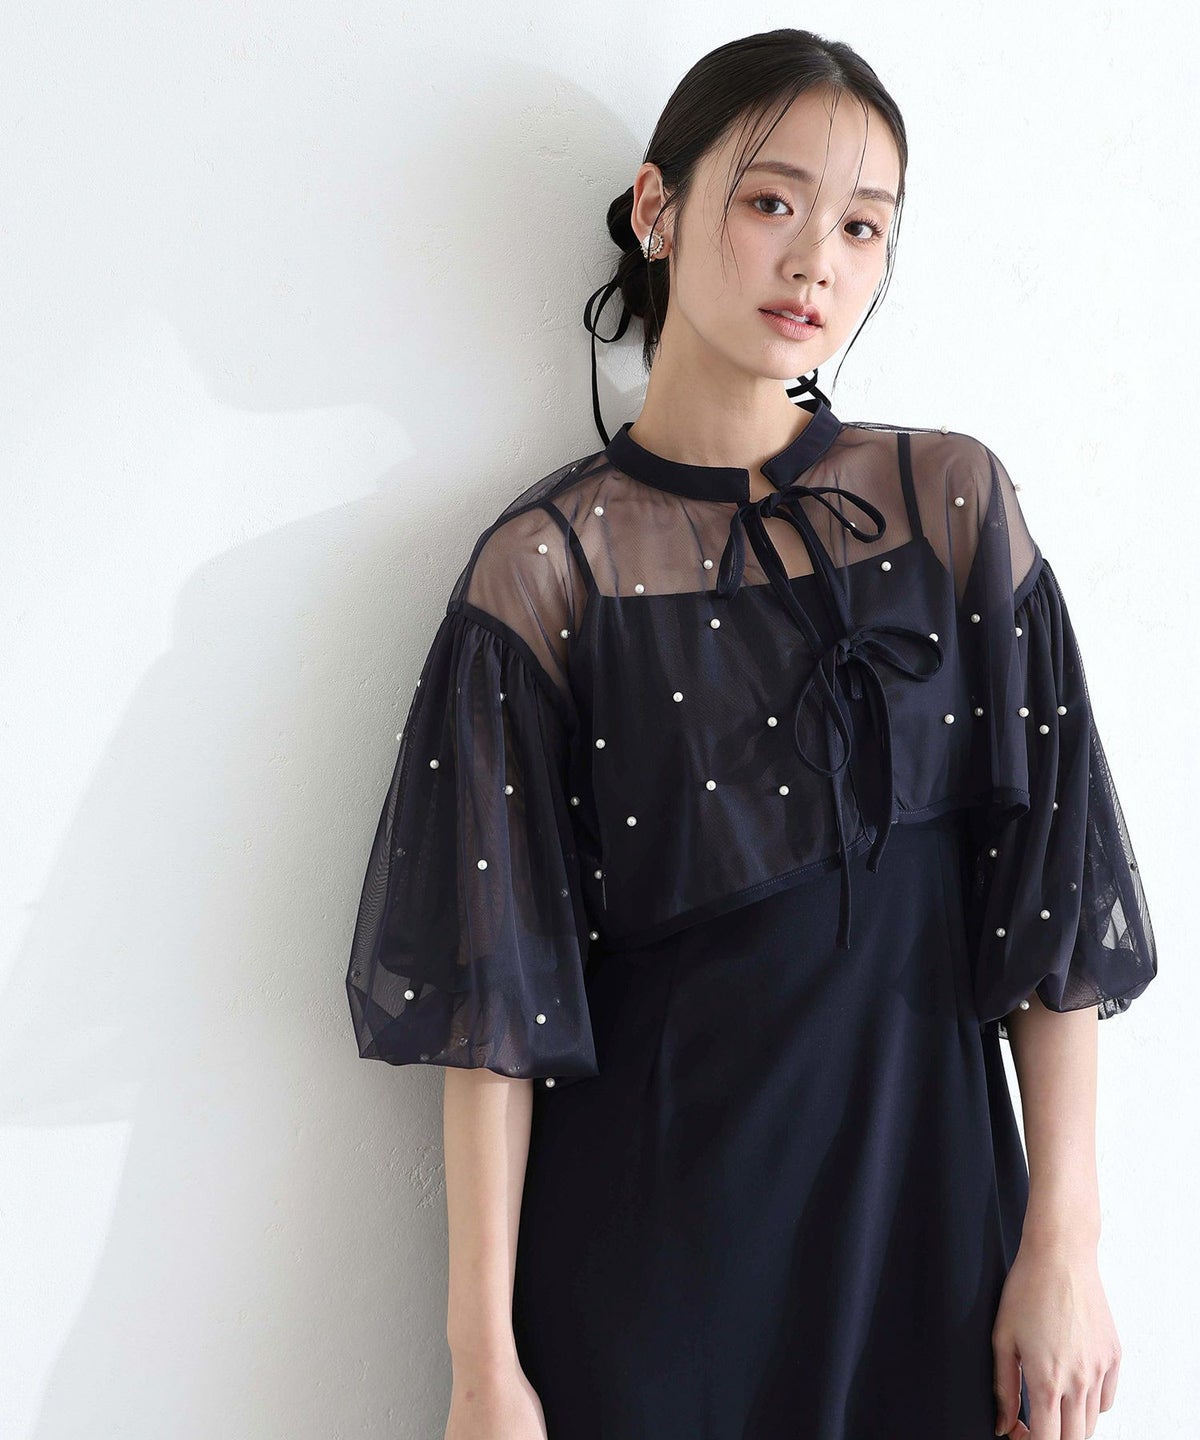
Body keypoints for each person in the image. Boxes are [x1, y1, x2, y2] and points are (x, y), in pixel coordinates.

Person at [346, 27, 1158, 1440]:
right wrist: (485, 1369)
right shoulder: (550, 571)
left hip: (930, 1229)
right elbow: (498, 1008)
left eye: (862, 227)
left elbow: (1049, 905)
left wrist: (1067, 1249)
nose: (816, 263)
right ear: (657, 209)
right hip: (653, 1266)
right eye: (774, 202)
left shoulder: (951, 505)